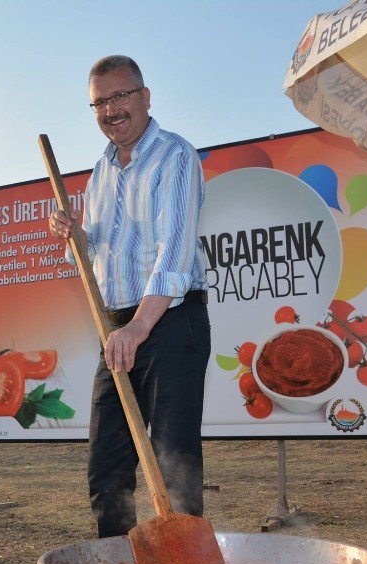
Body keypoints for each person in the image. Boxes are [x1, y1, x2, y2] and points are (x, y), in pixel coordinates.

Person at [48, 55, 211, 538]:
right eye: (100, 101)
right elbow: (97, 250)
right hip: (116, 328)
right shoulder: (101, 172)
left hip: (168, 323)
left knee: (172, 463)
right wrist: (74, 233)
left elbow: (174, 253)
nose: (111, 109)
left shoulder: (175, 156)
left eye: (120, 96)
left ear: (145, 97)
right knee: (108, 468)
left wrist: (140, 327)